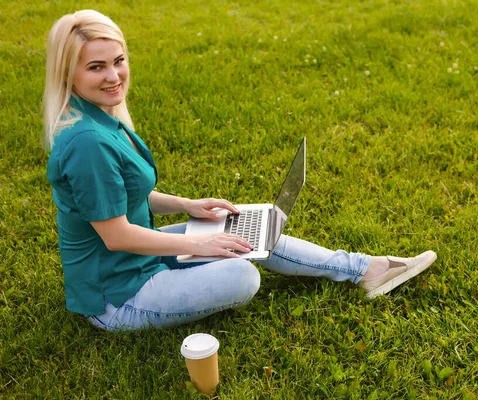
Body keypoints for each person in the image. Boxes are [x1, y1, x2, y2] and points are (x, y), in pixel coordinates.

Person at [44, 10, 437, 332]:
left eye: (119, 61)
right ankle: (360, 270)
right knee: (243, 276)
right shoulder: (87, 143)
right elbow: (115, 234)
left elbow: (126, 196)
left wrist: (188, 205)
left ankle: (366, 269)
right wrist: (197, 246)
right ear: (68, 74)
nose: (113, 76)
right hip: (117, 295)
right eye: (97, 67)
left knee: (246, 229)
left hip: (138, 259)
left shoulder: (100, 119)